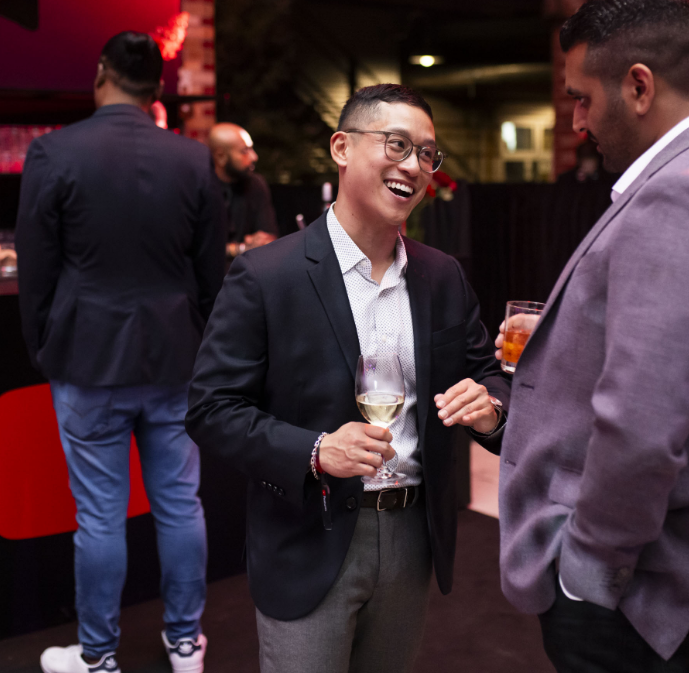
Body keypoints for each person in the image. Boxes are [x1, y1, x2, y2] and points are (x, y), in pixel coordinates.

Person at [485, 0, 689, 673]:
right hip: (683, 580)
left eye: (581, 99)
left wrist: (584, 575)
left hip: (637, 602)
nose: (576, 123)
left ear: (638, 85)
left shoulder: (687, 198)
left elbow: (641, 427)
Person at [187, 83, 510, 673]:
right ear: (341, 147)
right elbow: (211, 409)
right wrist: (315, 450)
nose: (413, 166)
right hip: (311, 533)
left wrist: (491, 408)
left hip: (414, 534)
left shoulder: (442, 277)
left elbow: (488, 374)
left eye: (427, 154)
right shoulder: (267, 276)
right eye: (396, 144)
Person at [17, 32, 226, 673]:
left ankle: (100, 657)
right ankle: (185, 644)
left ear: (102, 71)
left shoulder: (54, 152)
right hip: (175, 356)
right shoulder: (192, 161)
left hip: (88, 356)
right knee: (180, 503)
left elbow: (36, 268)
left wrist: (44, 346)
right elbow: (211, 273)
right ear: (157, 88)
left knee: (100, 516)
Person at [207, 123, 277, 260]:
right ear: (220, 156)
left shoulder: (256, 184)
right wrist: (242, 248)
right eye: (245, 151)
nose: (254, 157)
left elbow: (268, 241)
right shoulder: (201, 188)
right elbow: (199, 249)